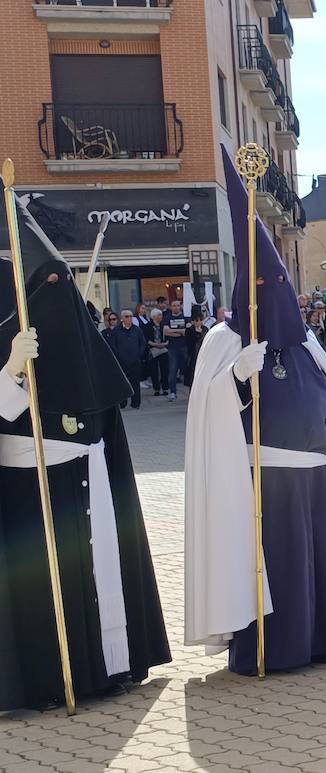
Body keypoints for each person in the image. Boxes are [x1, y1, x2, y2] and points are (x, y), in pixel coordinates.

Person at [184, 146, 326, 678]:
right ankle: (271, 647)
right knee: (275, 566)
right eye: (263, 287)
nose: (273, 294)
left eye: (279, 285)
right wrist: (236, 376)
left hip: (310, 479)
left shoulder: (307, 343)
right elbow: (207, 415)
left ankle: (324, 639)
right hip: (257, 480)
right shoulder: (223, 339)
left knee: (314, 566)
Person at [0, 198, 170, 711]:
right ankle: (47, 681)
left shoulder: (80, 339)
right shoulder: (14, 337)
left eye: (62, 287)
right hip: (26, 489)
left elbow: (103, 413)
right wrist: (9, 369)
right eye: (44, 288)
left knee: (98, 582)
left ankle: (104, 668)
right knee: (40, 594)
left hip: (87, 480)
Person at [108, 310, 147, 410]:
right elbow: (112, 345)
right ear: (122, 318)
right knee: (122, 383)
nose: (129, 318)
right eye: (126, 316)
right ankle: (122, 402)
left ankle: (136, 403)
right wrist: (119, 356)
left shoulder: (137, 330)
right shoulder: (116, 331)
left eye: (130, 316)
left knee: (135, 383)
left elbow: (142, 343)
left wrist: (139, 353)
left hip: (135, 361)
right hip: (121, 362)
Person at [163, 298, 188, 402]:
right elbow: (166, 332)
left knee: (187, 369)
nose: (176, 307)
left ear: (180, 306)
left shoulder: (186, 317)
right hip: (172, 348)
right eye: (174, 305)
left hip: (184, 347)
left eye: (178, 305)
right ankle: (173, 392)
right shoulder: (167, 318)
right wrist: (179, 332)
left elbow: (186, 331)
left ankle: (190, 391)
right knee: (172, 370)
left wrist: (173, 331)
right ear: (170, 307)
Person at [145, 308, 168, 396]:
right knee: (154, 370)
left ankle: (165, 388)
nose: (161, 317)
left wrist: (165, 343)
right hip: (153, 349)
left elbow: (168, 336)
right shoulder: (148, 326)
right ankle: (157, 389)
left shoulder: (163, 325)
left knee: (164, 369)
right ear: (154, 316)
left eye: (161, 315)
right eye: (159, 315)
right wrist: (155, 344)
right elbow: (146, 339)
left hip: (163, 349)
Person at [183, 310, 207, 391]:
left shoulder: (205, 329)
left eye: (201, 320)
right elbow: (189, 342)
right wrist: (197, 332)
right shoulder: (189, 330)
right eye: (197, 320)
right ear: (193, 321)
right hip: (193, 355)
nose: (199, 322)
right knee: (192, 375)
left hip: (203, 355)